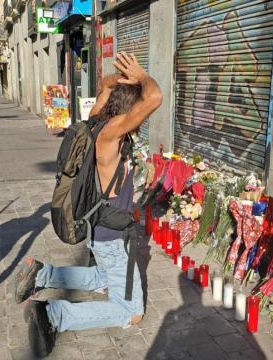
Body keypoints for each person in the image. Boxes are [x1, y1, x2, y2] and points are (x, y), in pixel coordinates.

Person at [12, 52, 162, 358]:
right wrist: (143, 77)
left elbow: (104, 88)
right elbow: (155, 97)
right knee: (129, 313)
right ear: (129, 111)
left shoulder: (95, 123)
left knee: (101, 277)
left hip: (96, 229)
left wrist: (119, 80)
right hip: (115, 238)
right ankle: (53, 314)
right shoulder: (112, 134)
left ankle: (41, 275)